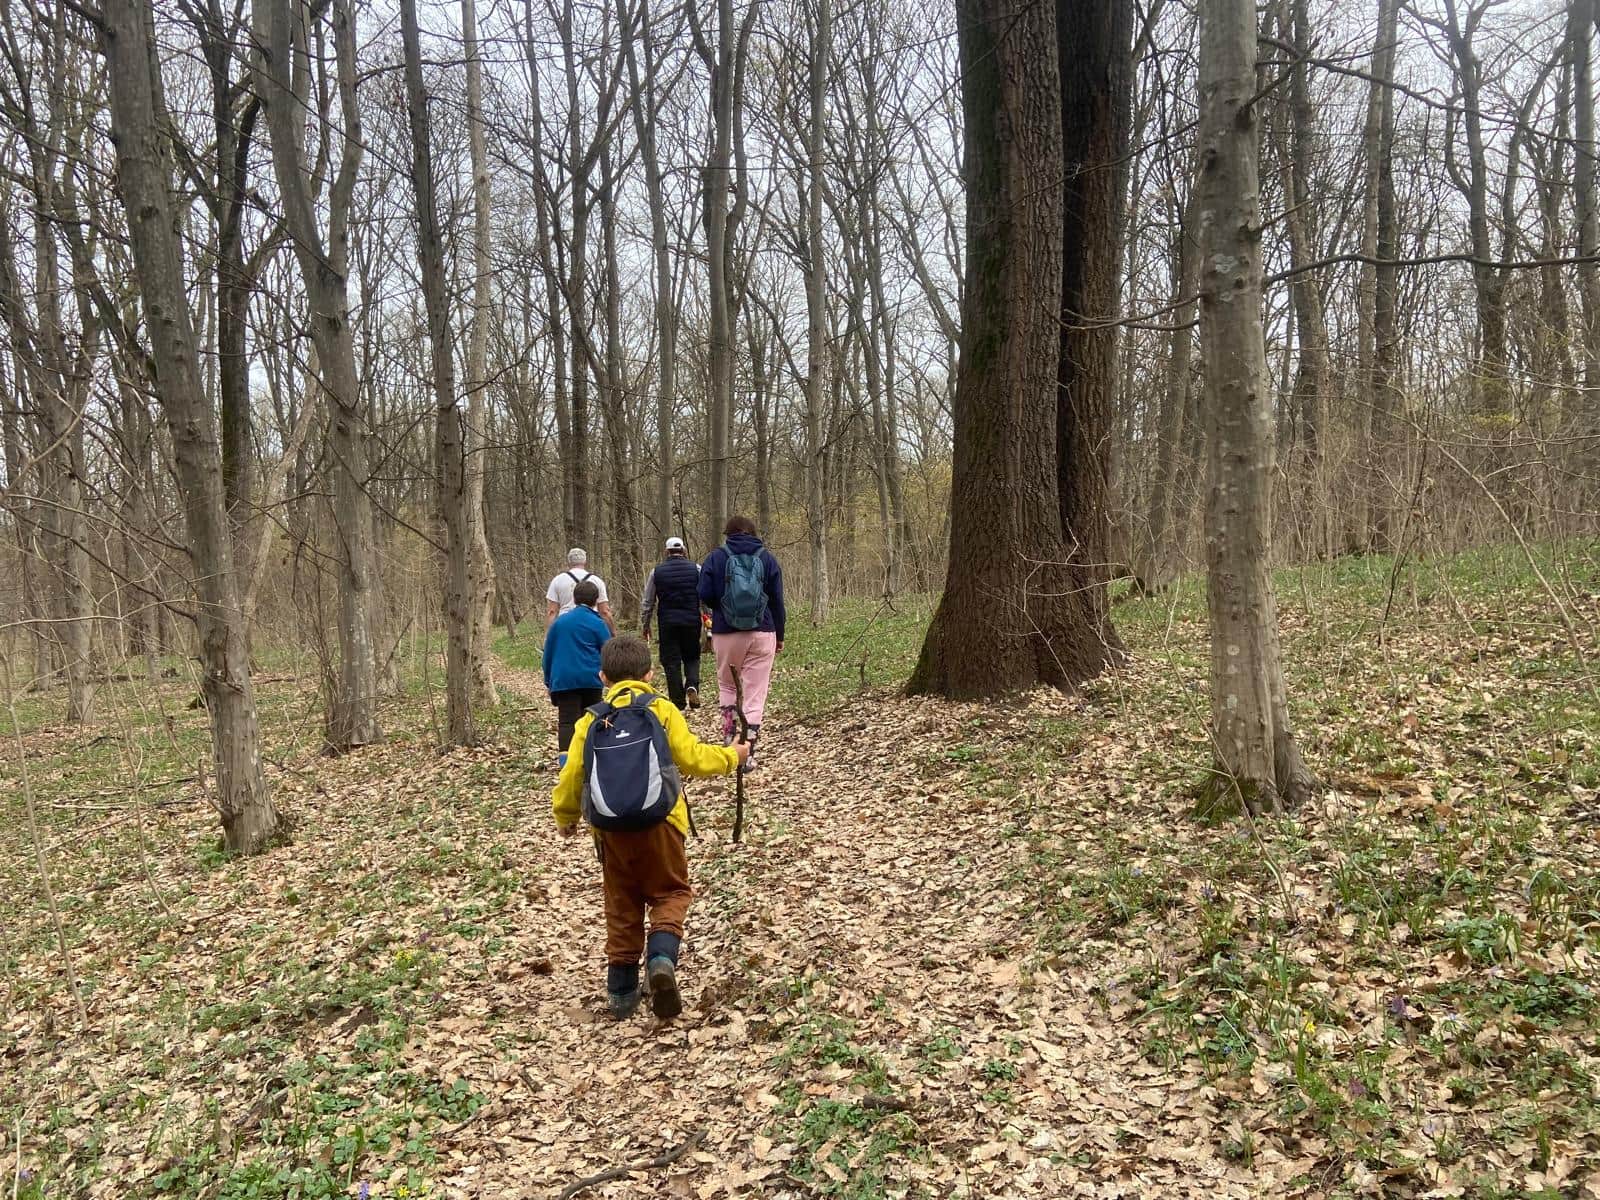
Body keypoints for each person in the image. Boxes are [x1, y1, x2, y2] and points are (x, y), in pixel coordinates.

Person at [553, 636, 750, 1020]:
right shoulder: (660, 709)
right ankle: (661, 959)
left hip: (611, 833)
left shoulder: (589, 719)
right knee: (671, 891)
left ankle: (622, 993)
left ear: (603, 677)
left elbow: (572, 775)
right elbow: (693, 758)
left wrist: (565, 817)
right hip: (662, 824)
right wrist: (733, 756)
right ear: (650, 674)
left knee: (622, 904)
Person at [698, 515, 784, 771]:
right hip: (763, 631)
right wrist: (779, 634)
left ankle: (729, 743)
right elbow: (777, 600)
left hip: (726, 633)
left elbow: (703, 593)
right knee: (755, 693)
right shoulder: (766, 558)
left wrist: (723, 609)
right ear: (753, 533)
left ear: (728, 533)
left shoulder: (716, 557)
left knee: (727, 686)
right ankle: (749, 753)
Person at [542, 578, 611, 767]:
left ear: (574, 598)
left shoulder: (559, 623)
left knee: (566, 721)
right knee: (593, 718)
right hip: (590, 679)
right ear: (596, 600)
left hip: (563, 680)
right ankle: (593, 757)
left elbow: (548, 654)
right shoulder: (597, 624)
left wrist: (548, 680)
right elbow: (607, 652)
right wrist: (610, 678)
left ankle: (566, 763)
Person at [640, 536, 704, 710]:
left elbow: (648, 602)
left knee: (671, 661)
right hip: (691, 621)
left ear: (667, 552)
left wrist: (645, 625)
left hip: (667, 624)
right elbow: (704, 596)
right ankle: (692, 685)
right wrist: (708, 617)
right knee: (692, 656)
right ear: (683, 550)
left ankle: (678, 701)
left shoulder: (657, 572)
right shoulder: (696, 569)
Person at [546, 547, 615, 631]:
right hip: (590, 624)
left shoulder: (558, 580)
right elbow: (604, 611)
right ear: (585, 561)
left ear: (569, 561)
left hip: (565, 625)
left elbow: (552, 612)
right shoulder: (596, 581)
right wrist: (613, 633)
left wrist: (548, 636)